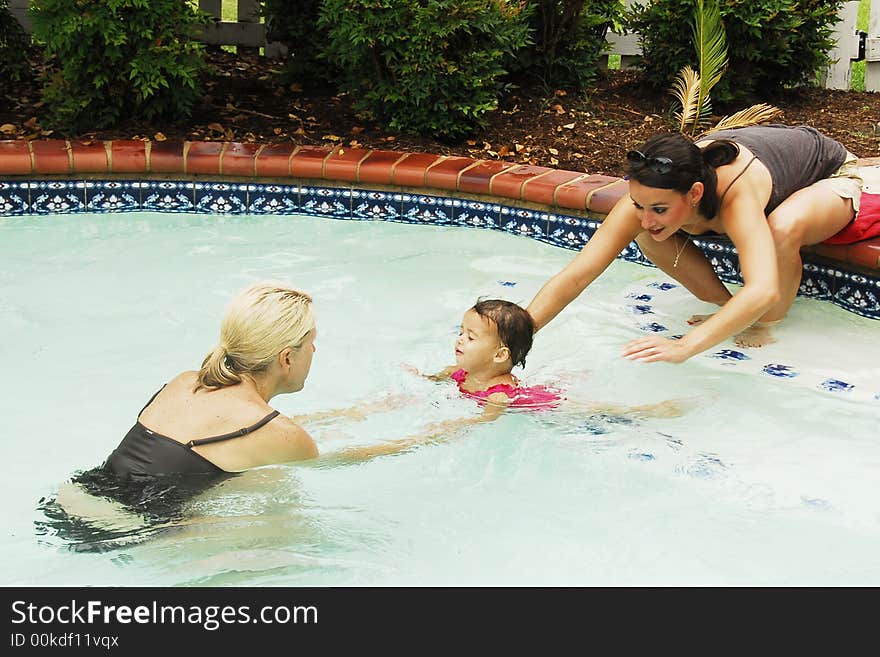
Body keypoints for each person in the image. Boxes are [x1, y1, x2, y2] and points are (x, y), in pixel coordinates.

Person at [526, 124, 863, 363]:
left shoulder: (735, 195)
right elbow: (579, 273)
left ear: (696, 194)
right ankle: (726, 305)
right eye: (638, 206)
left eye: (659, 209)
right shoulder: (653, 191)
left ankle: (763, 323)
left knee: (780, 230)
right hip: (754, 184)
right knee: (649, 235)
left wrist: (685, 346)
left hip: (828, 175)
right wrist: (518, 334)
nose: (645, 217)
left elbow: (764, 289)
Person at [408, 298, 689, 425]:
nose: (459, 340)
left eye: (470, 337)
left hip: (542, 405)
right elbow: (435, 380)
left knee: (594, 411)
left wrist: (450, 425)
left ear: (500, 355)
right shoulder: (460, 369)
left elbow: (482, 422)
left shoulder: (498, 396)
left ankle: (647, 411)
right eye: (460, 332)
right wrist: (419, 378)